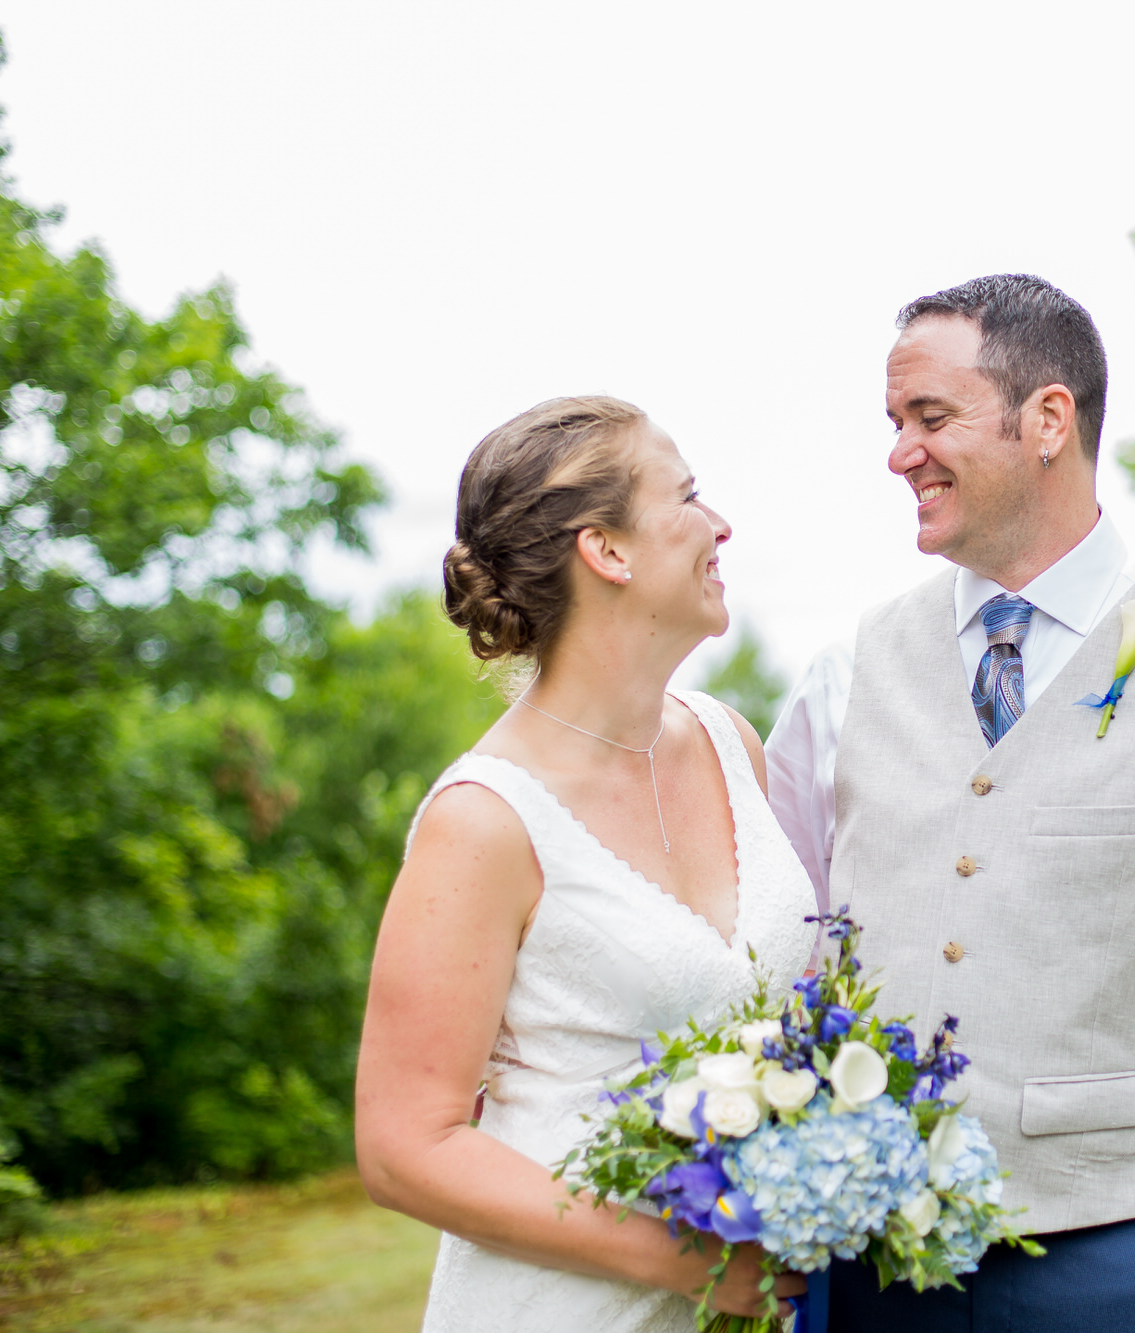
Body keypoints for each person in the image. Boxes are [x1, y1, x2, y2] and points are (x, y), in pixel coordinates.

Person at [766, 276, 1135, 1332]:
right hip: (864, 1271)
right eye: (894, 422)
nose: (900, 453)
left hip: (1121, 1267)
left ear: (1048, 419)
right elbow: (778, 941)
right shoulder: (846, 671)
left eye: (930, 417)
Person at [355, 396, 815, 1332]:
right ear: (605, 549)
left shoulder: (730, 742)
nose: (721, 524)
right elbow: (405, 1147)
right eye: (687, 496)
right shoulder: (484, 820)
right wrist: (686, 1261)